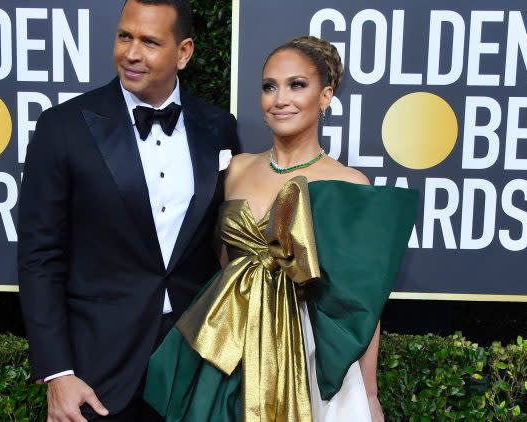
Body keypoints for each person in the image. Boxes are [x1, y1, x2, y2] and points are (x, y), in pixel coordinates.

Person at [143, 36, 418, 421]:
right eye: (269, 86)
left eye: (297, 85)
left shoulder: (350, 184)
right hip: (232, 347)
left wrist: (369, 393)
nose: (280, 98)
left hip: (308, 353)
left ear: (325, 96)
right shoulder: (236, 170)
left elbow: (361, 306)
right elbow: (225, 267)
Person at [17, 0, 241, 420]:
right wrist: (58, 373)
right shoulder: (63, 127)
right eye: (125, 36)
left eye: (150, 42)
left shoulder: (218, 128)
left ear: (184, 52)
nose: (131, 53)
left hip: (192, 362)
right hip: (95, 371)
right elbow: (39, 257)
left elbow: (225, 240)